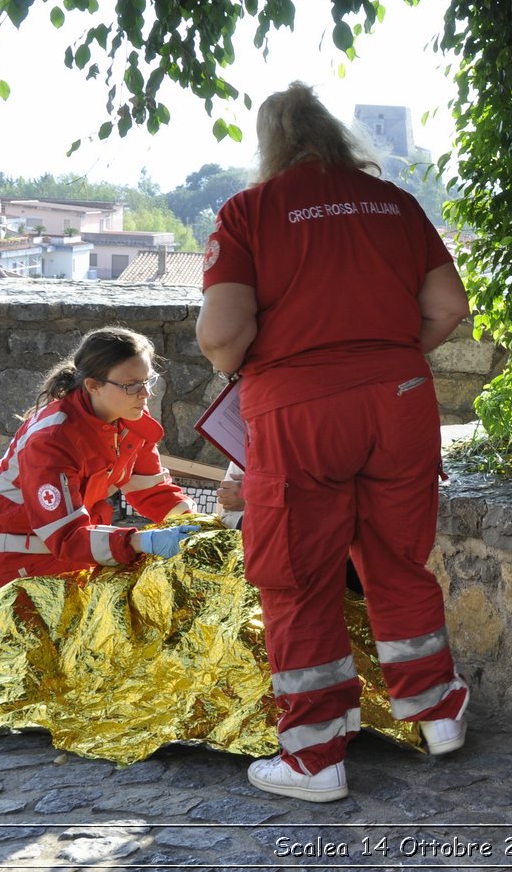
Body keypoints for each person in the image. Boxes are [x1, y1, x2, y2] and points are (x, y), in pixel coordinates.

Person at [197, 82, 472, 803]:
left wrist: (269, 358)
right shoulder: (398, 205)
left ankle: (315, 757)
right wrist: (381, 358)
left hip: (300, 412)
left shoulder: (249, 213)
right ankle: (438, 713)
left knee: (298, 575)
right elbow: (448, 307)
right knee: (397, 558)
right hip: (401, 399)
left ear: (271, 146)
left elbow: (223, 336)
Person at [0, 328, 199, 587]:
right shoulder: (52, 439)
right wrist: (143, 542)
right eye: (132, 385)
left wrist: (193, 523)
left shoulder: (126, 410)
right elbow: (66, 536)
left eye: (148, 380)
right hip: (24, 561)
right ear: (93, 386)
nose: (146, 394)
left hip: (77, 544)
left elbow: (152, 489)